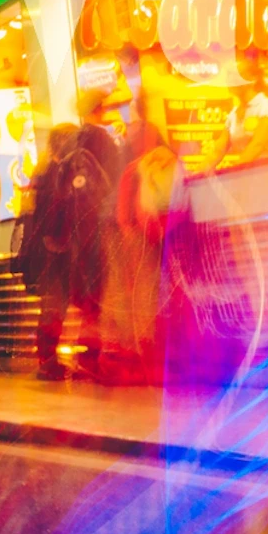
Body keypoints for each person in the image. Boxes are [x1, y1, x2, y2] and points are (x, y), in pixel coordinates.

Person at [18, 124, 114, 381]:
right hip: (62, 250)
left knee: (61, 306)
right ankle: (73, 360)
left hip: (53, 251)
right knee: (76, 305)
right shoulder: (64, 171)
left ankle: (54, 360)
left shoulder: (43, 173)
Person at [109, 122, 183, 383]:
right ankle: (172, 351)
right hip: (173, 235)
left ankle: (147, 352)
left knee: (144, 295)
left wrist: (128, 233)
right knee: (172, 292)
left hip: (142, 238)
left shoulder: (133, 169)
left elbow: (123, 213)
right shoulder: (173, 161)